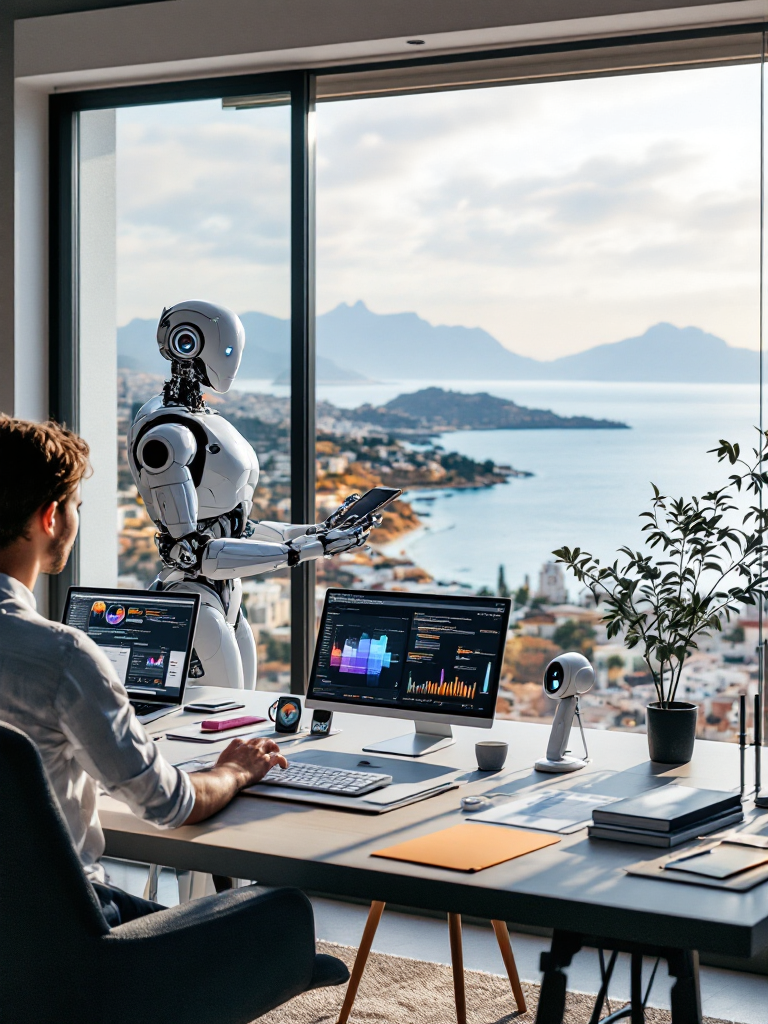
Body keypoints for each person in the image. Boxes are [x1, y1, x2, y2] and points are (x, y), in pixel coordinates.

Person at [0, 415, 287, 925]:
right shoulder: (61, 657)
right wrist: (235, 770)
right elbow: (169, 806)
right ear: (50, 518)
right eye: (75, 507)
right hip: (65, 932)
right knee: (279, 914)